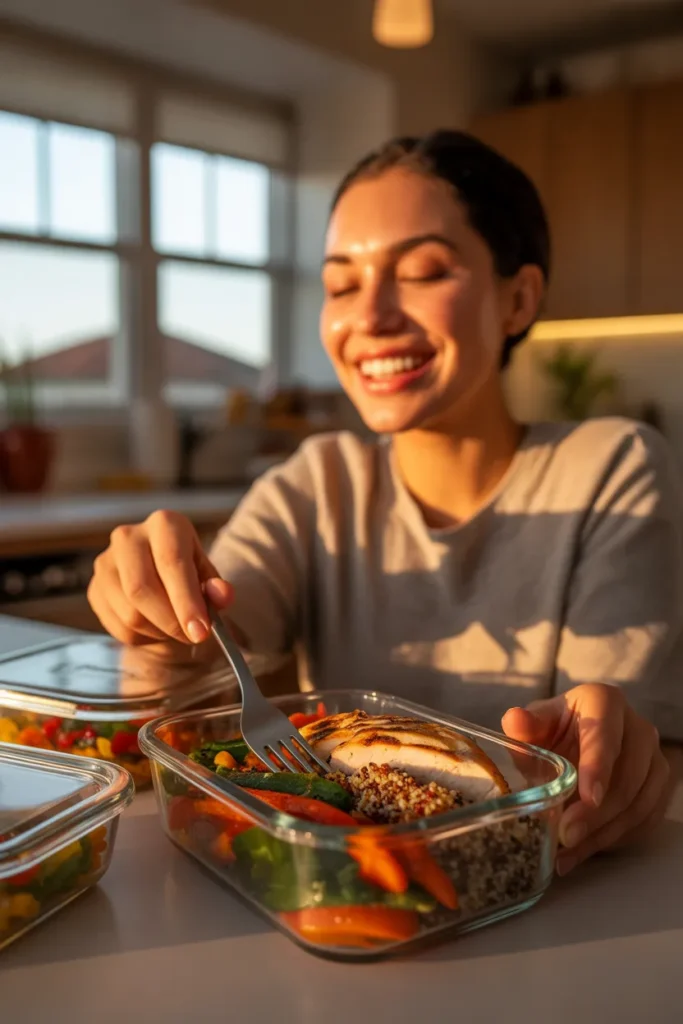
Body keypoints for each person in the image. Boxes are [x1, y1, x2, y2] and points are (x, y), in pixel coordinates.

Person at [88, 130, 683, 876]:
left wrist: (617, 749)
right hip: (345, 886)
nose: (367, 315)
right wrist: (155, 614)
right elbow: (199, 661)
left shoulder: (611, 467)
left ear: (518, 298)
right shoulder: (315, 480)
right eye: (340, 284)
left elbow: (618, 740)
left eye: (423, 271)